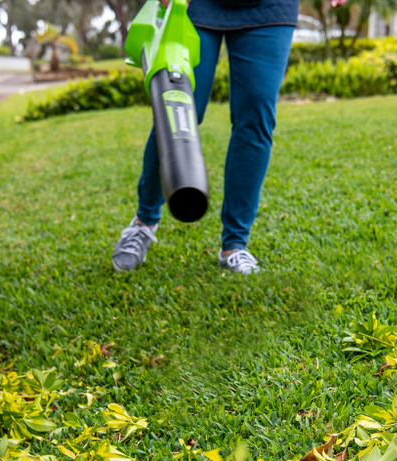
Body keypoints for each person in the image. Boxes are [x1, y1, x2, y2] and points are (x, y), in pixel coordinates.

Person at [111, 0, 298, 275]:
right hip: (195, 4)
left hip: (271, 9)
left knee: (256, 116)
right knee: (178, 108)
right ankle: (144, 221)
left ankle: (235, 244)